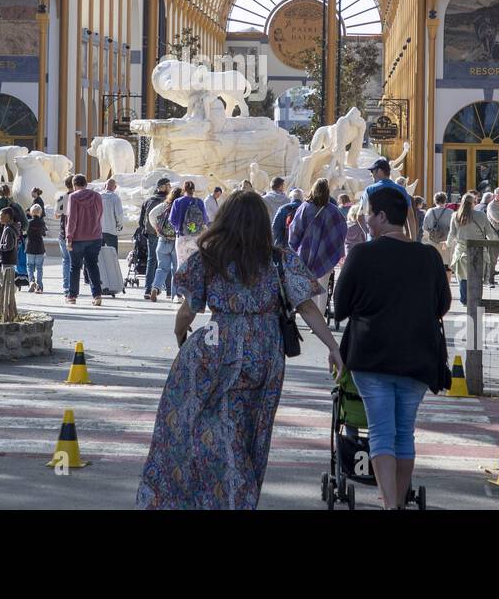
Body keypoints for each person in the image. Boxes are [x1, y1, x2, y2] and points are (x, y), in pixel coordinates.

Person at [136, 190, 343, 509]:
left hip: (215, 350)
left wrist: (180, 336)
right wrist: (333, 348)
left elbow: (189, 310)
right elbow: (307, 307)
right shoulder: (280, 260)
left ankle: (210, 495)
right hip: (264, 355)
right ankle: (235, 495)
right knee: (250, 432)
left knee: (201, 425)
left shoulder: (208, 256)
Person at [333, 187, 452, 509]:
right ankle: (397, 500)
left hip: (371, 356)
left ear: (382, 217)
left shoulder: (362, 254)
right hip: (419, 357)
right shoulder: (429, 256)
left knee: (381, 432)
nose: (366, 220)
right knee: (404, 434)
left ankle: (390, 504)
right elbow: (442, 304)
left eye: (369, 214)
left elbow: (340, 306)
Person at [288, 178, 347, 313]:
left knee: (310, 286)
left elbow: (295, 230)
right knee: (323, 286)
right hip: (327, 254)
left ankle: (312, 318)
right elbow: (342, 230)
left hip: (305, 253)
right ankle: (321, 315)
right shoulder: (333, 211)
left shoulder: (304, 207)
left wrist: (293, 247)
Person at [64, 174, 104, 306]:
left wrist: (69, 237)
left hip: (77, 238)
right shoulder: (96, 196)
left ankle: (72, 296)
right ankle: (97, 295)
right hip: (95, 236)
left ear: (74, 185)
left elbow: (72, 219)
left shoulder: (73, 197)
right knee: (92, 265)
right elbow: (100, 213)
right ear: (86, 183)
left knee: (75, 267)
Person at [446, 192, 492, 305]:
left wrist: (447, 244)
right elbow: (490, 234)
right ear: (474, 203)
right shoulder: (481, 215)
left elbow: (451, 234)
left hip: (461, 251)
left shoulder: (455, 215)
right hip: (479, 250)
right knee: (477, 277)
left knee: (462, 277)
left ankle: (464, 300)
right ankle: (476, 299)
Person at [139, 178, 171, 301]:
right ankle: (169, 291)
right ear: (163, 187)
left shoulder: (148, 201)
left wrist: (146, 232)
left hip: (152, 234)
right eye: (168, 185)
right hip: (166, 235)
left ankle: (147, 290)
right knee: (167, 262)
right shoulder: (168, 201)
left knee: (151, 261)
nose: (170, 187)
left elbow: (141, 221)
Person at [148, 181, 179, 300]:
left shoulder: (164, 205)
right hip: (176, 241)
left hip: (163, 240)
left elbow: (151, 214)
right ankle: (175, 295)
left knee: (161, 268)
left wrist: (157, 228)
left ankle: (155, 288)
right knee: (176, 269)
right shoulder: (180, 206)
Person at [169, 180, 208, 267]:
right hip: (196, 237)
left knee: (181, 265)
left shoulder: (177, 202)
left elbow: (172, 220)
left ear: (184, 189)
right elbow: (205, 220)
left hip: (182, 237)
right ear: (193, 190)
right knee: (196, 266)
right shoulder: (199, 202)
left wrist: (180, 226)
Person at [55, 175, 74, 295]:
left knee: (65, 261)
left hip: (63, 232)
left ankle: (66, 286)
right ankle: (73, 286)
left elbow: (57, 215)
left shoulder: (62, 198)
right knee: (74, 261)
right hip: (75, 234)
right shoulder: (78, 198)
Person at [420, 192, 453, 258]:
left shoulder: (430, 211)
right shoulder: (450, 212)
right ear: (445, 200)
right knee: (445, 262)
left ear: (435, 201)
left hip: (433, 241)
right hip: (446, 241)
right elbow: (454, 228)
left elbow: (425, 227)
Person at [0, 207, 19, 285]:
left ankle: (8, 296)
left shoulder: (8, 229)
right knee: (8, 281)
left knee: (7, 282)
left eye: (0, 216)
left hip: (7, 260)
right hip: (9, 260)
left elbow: (9, 246)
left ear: (7, 216)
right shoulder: (10, 228)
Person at [25, 204, 47, 292]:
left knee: (30, 266)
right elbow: (44, 233)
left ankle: (31, 281)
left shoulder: (29, 222)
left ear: (31, 212)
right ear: (40, 212)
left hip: (30, 247)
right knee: (39, 268)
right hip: (39, 248)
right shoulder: (42, 222)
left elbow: (25, 233)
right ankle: (39, 285)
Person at [100, 178, 125, 250]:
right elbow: (119, 214)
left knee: (99, 256)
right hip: (111, 230)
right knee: (113, 255)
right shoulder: (115, 198)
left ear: (105, 186)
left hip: (98, 231)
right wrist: (120, 226)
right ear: (115, 187)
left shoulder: (98, 196)